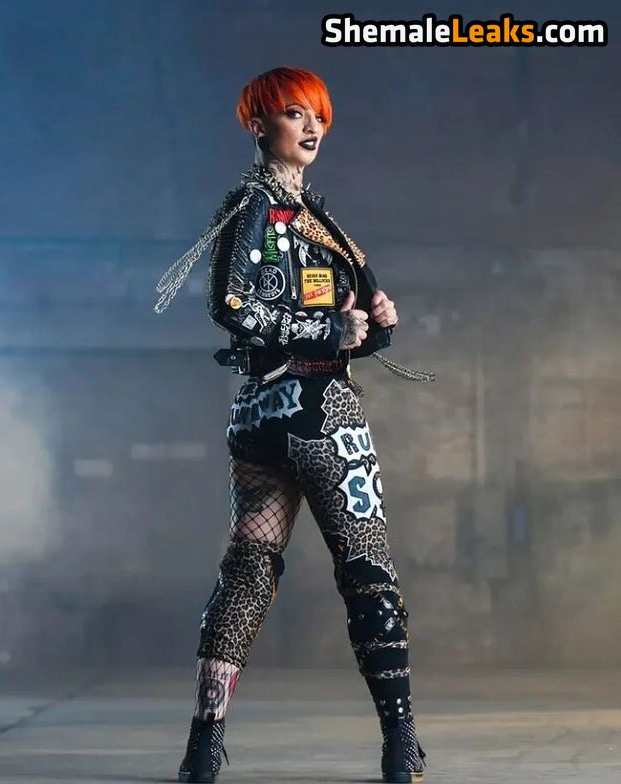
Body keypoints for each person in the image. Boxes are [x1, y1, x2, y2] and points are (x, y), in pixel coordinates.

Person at [154, 66, 431, 784]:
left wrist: (374, 326)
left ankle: (203, 748)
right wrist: (328, 332)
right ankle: (400, 743)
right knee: (366, 570)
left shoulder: (317, 218)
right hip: (319, 414)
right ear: (258, 125)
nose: (311, 127)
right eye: (293, 114)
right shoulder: (253, 203)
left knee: (249, 571)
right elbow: (230, 304)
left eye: (319, 117)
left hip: (261, 415)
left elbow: (345, 322)